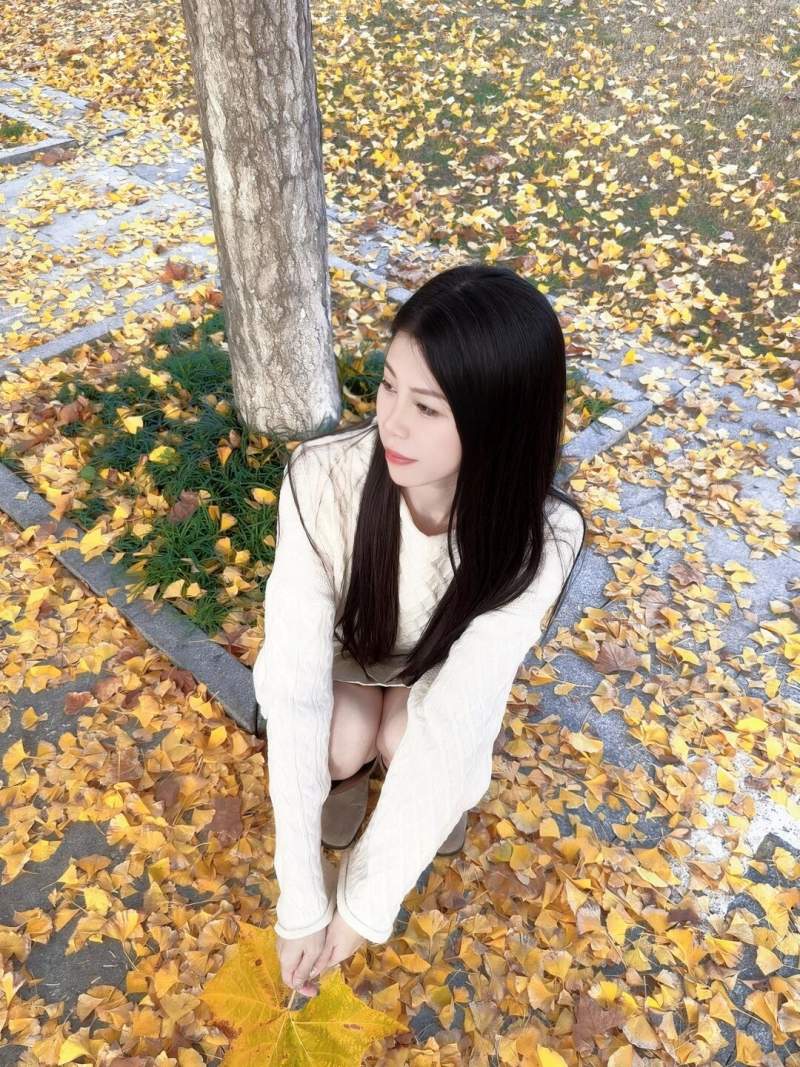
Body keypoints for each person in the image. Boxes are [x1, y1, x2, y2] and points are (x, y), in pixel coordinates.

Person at [252, 263, 587, 998]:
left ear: (499, 418)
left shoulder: (542, 538)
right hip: (348, 655)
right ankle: (352, 771)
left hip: (433, 670)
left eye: (428, 407)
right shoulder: (323, 478)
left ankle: (398, 780)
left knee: (416, 744)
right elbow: (296, 686)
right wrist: (302, 904)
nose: (391, 423)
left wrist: (361, 910)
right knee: (340, 739)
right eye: (387, 385)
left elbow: (462, 707)